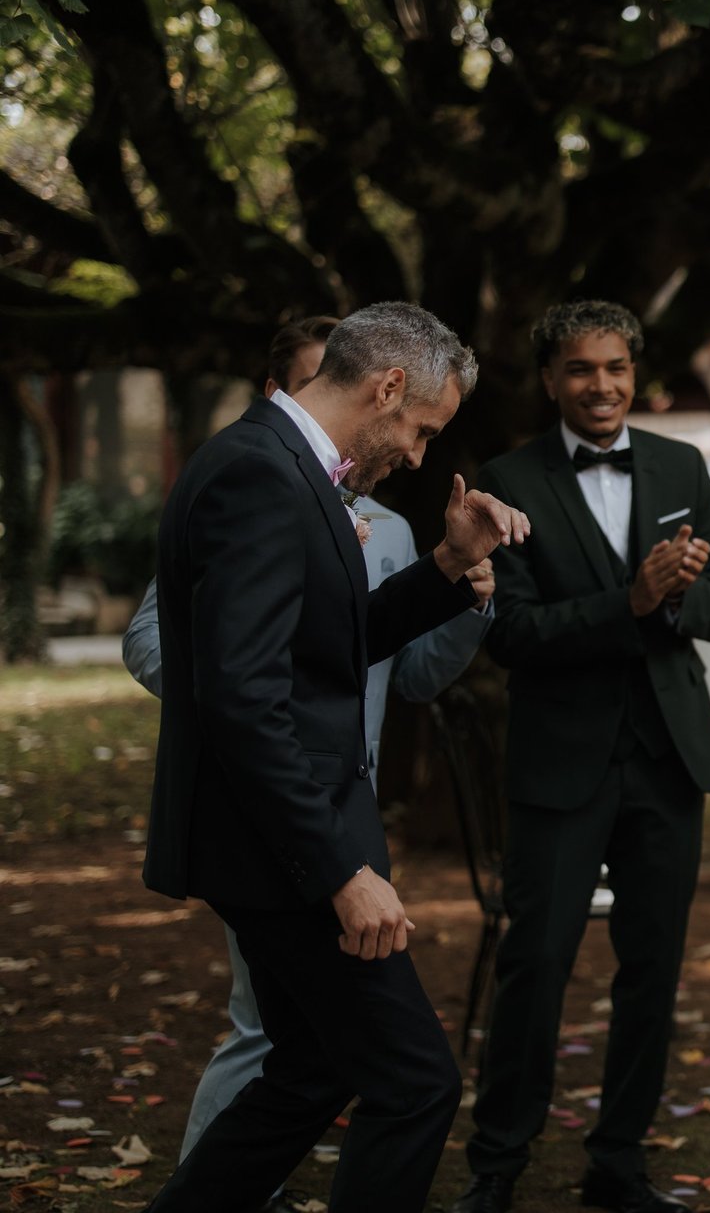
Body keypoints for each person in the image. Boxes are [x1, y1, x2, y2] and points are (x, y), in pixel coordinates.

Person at [141, 301, 530, 1212]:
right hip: (284, 851)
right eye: (425, 429)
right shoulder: (261, 476)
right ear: (388, 387)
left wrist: (444, 564)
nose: (422, 454)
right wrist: (339, 871)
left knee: (313, 1069)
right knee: (415, 1083)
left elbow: (329, 642)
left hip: (270, 843)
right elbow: (243, 701)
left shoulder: (283, 466)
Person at [452, 301, 710, 1213]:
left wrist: (680, 600)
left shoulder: (682, 464)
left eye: (616, 367)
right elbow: (514, 635)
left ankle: (619, 1160)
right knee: (536, 962)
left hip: (669, 756)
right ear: (550, 379)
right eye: (581, 369)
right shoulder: (506, 478)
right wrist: (632, 599)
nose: (602, 385)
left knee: (652, 966)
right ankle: (496, 1165)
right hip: (561, 761)